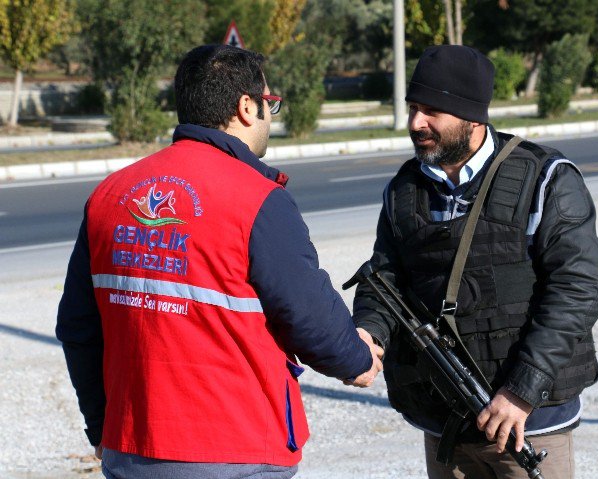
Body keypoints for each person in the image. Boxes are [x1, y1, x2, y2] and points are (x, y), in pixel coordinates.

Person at [56, 44, 383, 479]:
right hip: (236, 449)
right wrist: (357, 361)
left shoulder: (110, 194)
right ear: (247, 107)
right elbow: (307, 312)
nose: (271, 114)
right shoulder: (257, 199)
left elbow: (78, 328)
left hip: (132, 449)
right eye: (271, 104)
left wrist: (102, 426)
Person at [352, 45, 598, 479]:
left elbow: (579, 289)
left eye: (433, 111)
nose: (416, 123)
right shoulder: (404, 189)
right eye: (414, 108)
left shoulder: (546, 177)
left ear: (473, 117)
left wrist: (520, 393)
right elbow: (384, 279)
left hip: (528, 423)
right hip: (443, 423)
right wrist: (368, 332)